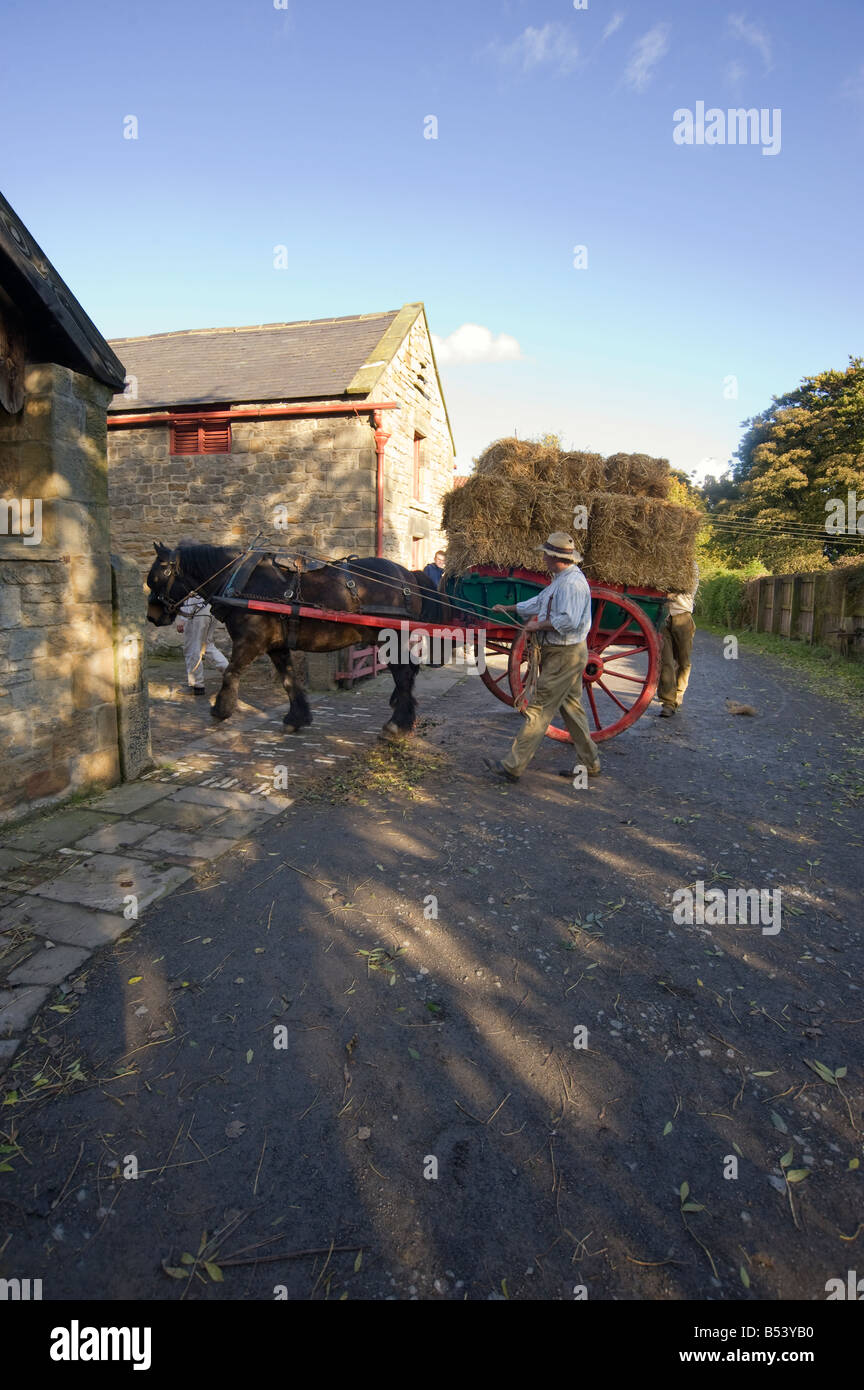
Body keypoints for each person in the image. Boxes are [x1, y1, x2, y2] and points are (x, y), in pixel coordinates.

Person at [484, 532, 600, 782]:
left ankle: (513, 766)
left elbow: (568, 621)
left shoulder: (571, 584)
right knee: (572, 708)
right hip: (562, 654)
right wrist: (511, 608)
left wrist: (538, 626)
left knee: (538, 710)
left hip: (564, 654)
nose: (543, 558)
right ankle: (590, 763)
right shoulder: (561, 579)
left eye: (546, 554)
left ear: (556, 557)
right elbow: (540, 602)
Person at [657, 562, 699, 718]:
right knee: (665, 661)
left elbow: (689, 588)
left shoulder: (690, 566)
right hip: (662, 617)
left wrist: (671, 593)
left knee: (684, 661)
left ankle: (678, 695)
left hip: (682, 616)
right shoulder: (661, 563)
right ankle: (668, 702)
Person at [176, 593, 229, 695]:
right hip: (211, 609)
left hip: (198, 611)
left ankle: (197, 685)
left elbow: (191, 593)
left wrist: (183, 619)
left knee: (193, 648)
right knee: (207, 645)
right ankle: (229, 671)